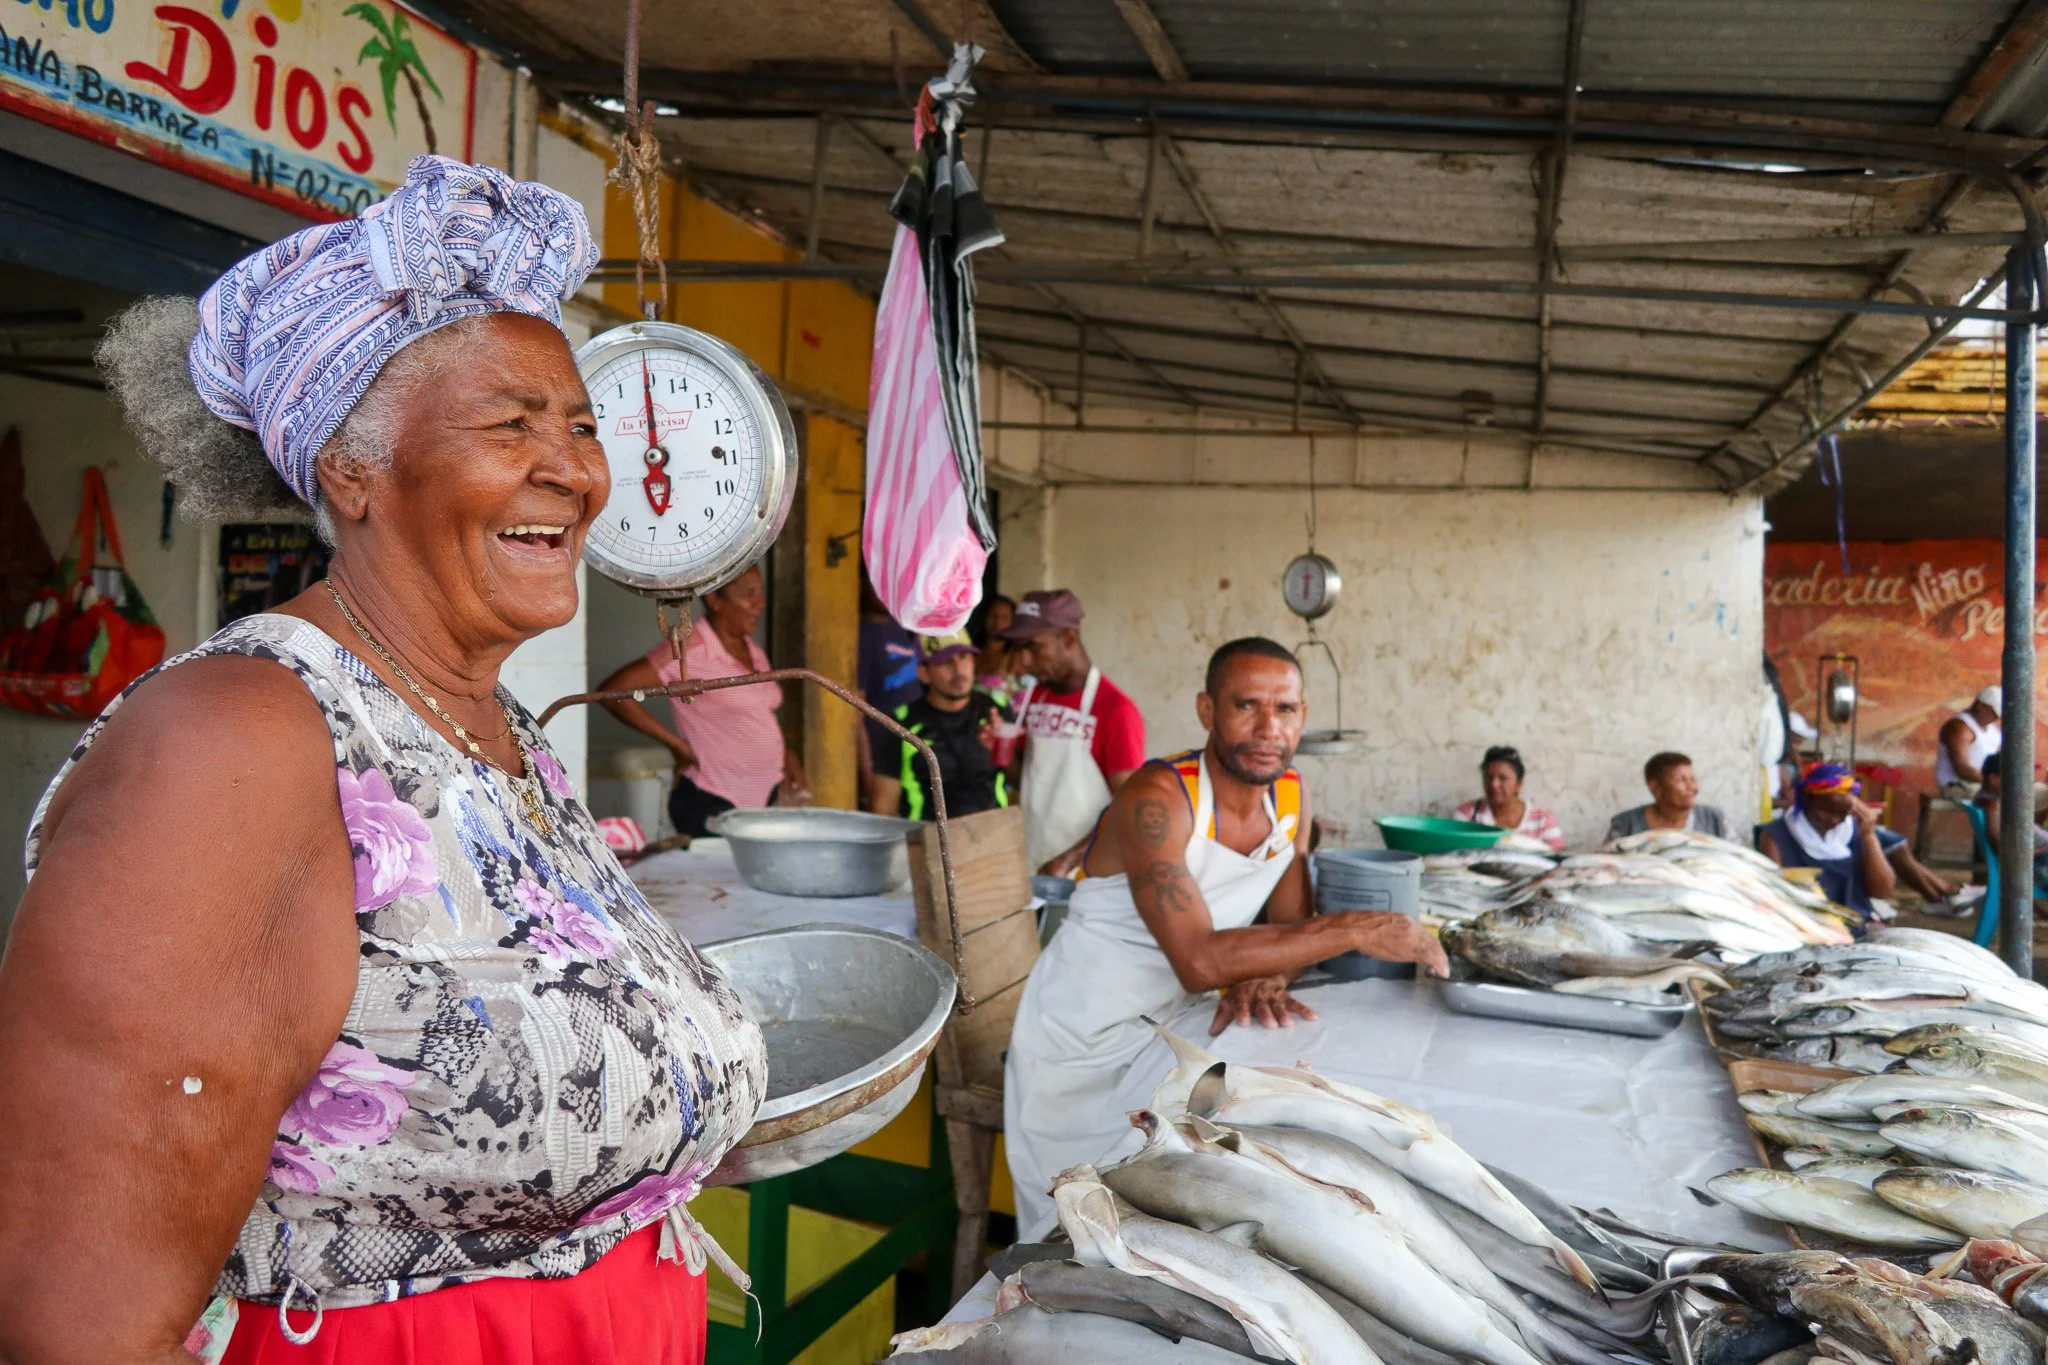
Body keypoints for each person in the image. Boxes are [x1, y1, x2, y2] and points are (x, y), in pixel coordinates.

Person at [0, 160, 765, 1365]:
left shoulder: (487, 724)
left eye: (576, 425)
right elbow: (78, 1323)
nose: (574, 469)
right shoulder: (236, 744)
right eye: (510, 425)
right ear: (351, 471)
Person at [1003, 637, 1449, 1234]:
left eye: (1285, 709)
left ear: (1303, 717)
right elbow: (1198, 960)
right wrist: (1355, 927)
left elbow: (1287, 930)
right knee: (1078, 1219)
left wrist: (1267, 975)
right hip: (1082, 1039)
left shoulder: (1290, 795)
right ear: (1207, 711)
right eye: (1247, 706)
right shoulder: (1158, 799)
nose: (1268, 728)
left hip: (1173, 1024)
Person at [596, 565, 809, 838]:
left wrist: (787, 757)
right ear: (714, 599)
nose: (761, 603)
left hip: (763, 796)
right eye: (749, 593)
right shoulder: (690, 649)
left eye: (761, 592)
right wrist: (677, 746)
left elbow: (760, 715)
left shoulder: (753, 651)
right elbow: (614, 692)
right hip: (713, 799)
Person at [999, 588, 1147, 873]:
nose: (1024, 662)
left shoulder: (1115, 710)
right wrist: (1000, 753)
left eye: (1033, 647)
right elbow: (1030, 781)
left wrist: (1069, 859)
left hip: (1086, 873)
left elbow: (1130, 807)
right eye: (1019, 649)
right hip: (1034, 861)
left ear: (1068, 638)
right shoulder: (1035, 697)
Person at [869, 630, 1008, 820]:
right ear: (924, 673)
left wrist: (1003, 746)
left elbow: (1023, 779)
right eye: (945, 662)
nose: (959, 670)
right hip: (929, 841)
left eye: (964, 657)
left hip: (996, 836)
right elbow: (882, 806)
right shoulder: (900, 725)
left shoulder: (995, 712)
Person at [1758, 763, 1898, 921]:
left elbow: (1882, 891)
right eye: (1825, 812)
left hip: (1856, 921)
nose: (1834, 821)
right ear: (1807, 800)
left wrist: (1869, 835)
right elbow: (1775, 894)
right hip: (1804, 923)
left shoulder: (1855, 831)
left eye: (1842, 815)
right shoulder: (1776, 835)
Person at [857, 571, 923, 811]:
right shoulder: (862, 635)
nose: (884, 594)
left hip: (910, 745)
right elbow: (857, 713)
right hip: (883, 751)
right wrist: (868, 776)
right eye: (876, 585)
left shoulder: (899, 625)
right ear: (864, 587)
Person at [1453, 745, 1565, 850]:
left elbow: (1558, 862)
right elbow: (1456, 856)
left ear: (1519, 785)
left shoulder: (1543, 821)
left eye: (1503, 778)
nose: (1494, 784)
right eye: (1488, 777)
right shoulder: (1467, 815)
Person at [1606, 751, 1730, 842]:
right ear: (1656, 787)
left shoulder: (1715, 820)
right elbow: (1605, 867)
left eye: (1693, 779)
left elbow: (1740, 865)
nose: (1692, 787)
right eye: (1681, 780)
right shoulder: (1625, 825)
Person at [1937, 686, 2003, 799]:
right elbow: (1962, 769)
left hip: (1983, 783)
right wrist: (1991, 782)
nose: (1996, 718)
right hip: (1957, 786)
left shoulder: (1993, 730)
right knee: (1997, 797)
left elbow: (1999, 763)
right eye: (1993, 712)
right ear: (1980, 705)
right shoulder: (1960, 727)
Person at [972, 592, 1026, 710]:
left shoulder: (1018, 654)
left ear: (1013, 621)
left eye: (1005, 617)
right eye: (993, 615)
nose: (998, 622)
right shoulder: (971, 652)